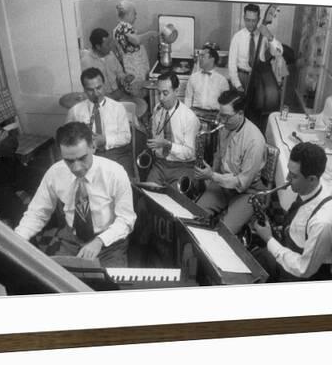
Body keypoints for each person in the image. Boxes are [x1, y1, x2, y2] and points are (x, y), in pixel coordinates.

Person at [15, 122, 137, 267]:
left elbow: (126, 219)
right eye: (69, 161)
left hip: (108, 242)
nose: (76, 168)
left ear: (93, 146)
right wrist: (17, 240)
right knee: (57, 283)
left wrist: (99, 241)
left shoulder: (115, 173)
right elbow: (37, 213)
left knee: (110, 286)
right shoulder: (55, 172)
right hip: (71, 239)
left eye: (82, 158)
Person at [251, 142, 332, 281]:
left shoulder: (323, 222)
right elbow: (300, 219)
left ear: (312, 179)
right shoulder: (309, 188)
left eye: (294, 176)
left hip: (306, 276)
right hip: (292, 251)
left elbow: (303, 269)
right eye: (289, 171)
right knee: (255, 257)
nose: (287, 179)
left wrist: (269, 239)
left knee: (255, 265)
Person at [195, 90, 267, 234]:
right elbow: (218, 155)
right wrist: (211, 176)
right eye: (220, 115)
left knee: (224, 232)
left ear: (240, 113)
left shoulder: (255, 141)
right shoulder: (225, 127)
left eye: (226, 116)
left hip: (247, 191)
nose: (221, 120)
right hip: (222, 183)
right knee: (196, 216)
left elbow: (242, 183)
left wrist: (212, 176)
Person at [66, 67, 134, 178]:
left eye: (99, 88)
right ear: (84, 89)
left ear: (104, 85)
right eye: (90, 90)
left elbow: (126, 137)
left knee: (122, 183)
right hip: (88, 157)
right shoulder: (75, 111)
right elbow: (66, 140)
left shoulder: (118, 108)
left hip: (116, 154)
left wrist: (105, 140)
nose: (96, 93)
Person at [146, 71, 200, 187]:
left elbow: (189, 153)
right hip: (161, 164)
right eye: (158, 93)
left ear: (176, 91)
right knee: (148, 195)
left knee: (172, 200)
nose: (160, 98)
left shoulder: (189, 118)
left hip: (182, 166)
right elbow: (155, 136)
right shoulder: (157, 110)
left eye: (165, 93)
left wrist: (168, 145)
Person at [228, 3, 283, 91]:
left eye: (253, 20)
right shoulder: (237, 37)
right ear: (243, 18)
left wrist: (269, 37)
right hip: (241, 77)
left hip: (259, 78)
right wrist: (237, 84)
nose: (250, 24)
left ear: (259, 19)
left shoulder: (264, 35)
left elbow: (279, 52)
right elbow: (232, 64)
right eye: (247, 20)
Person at [113, 0, 157, 98]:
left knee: (134, 92)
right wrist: (150, 33)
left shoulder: (116, 29)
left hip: (129, 66)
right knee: (139, 92)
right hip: (135, 67)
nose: (136, 16)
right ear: (128, 14)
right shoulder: (125, 26)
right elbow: (136, 40)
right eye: (134, 13)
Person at [79, 28, 125, 101]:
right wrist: (111, 97)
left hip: (117, 95)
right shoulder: (86, 62)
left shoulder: (111, 55)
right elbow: (88, 89)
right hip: (101, 99)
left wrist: (125, 78)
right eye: (107, 44)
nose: (111, 46)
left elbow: (120, 73)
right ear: (98, 47)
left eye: (110, 42)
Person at [184, 44, 229, 110]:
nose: (200, 58)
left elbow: (226, 103)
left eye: (203, 56)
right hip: (196, 113)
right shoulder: (193, 77)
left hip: (214, 115)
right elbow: (188, 98)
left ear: (212, 59)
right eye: (200, 56)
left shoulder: (222, 80)